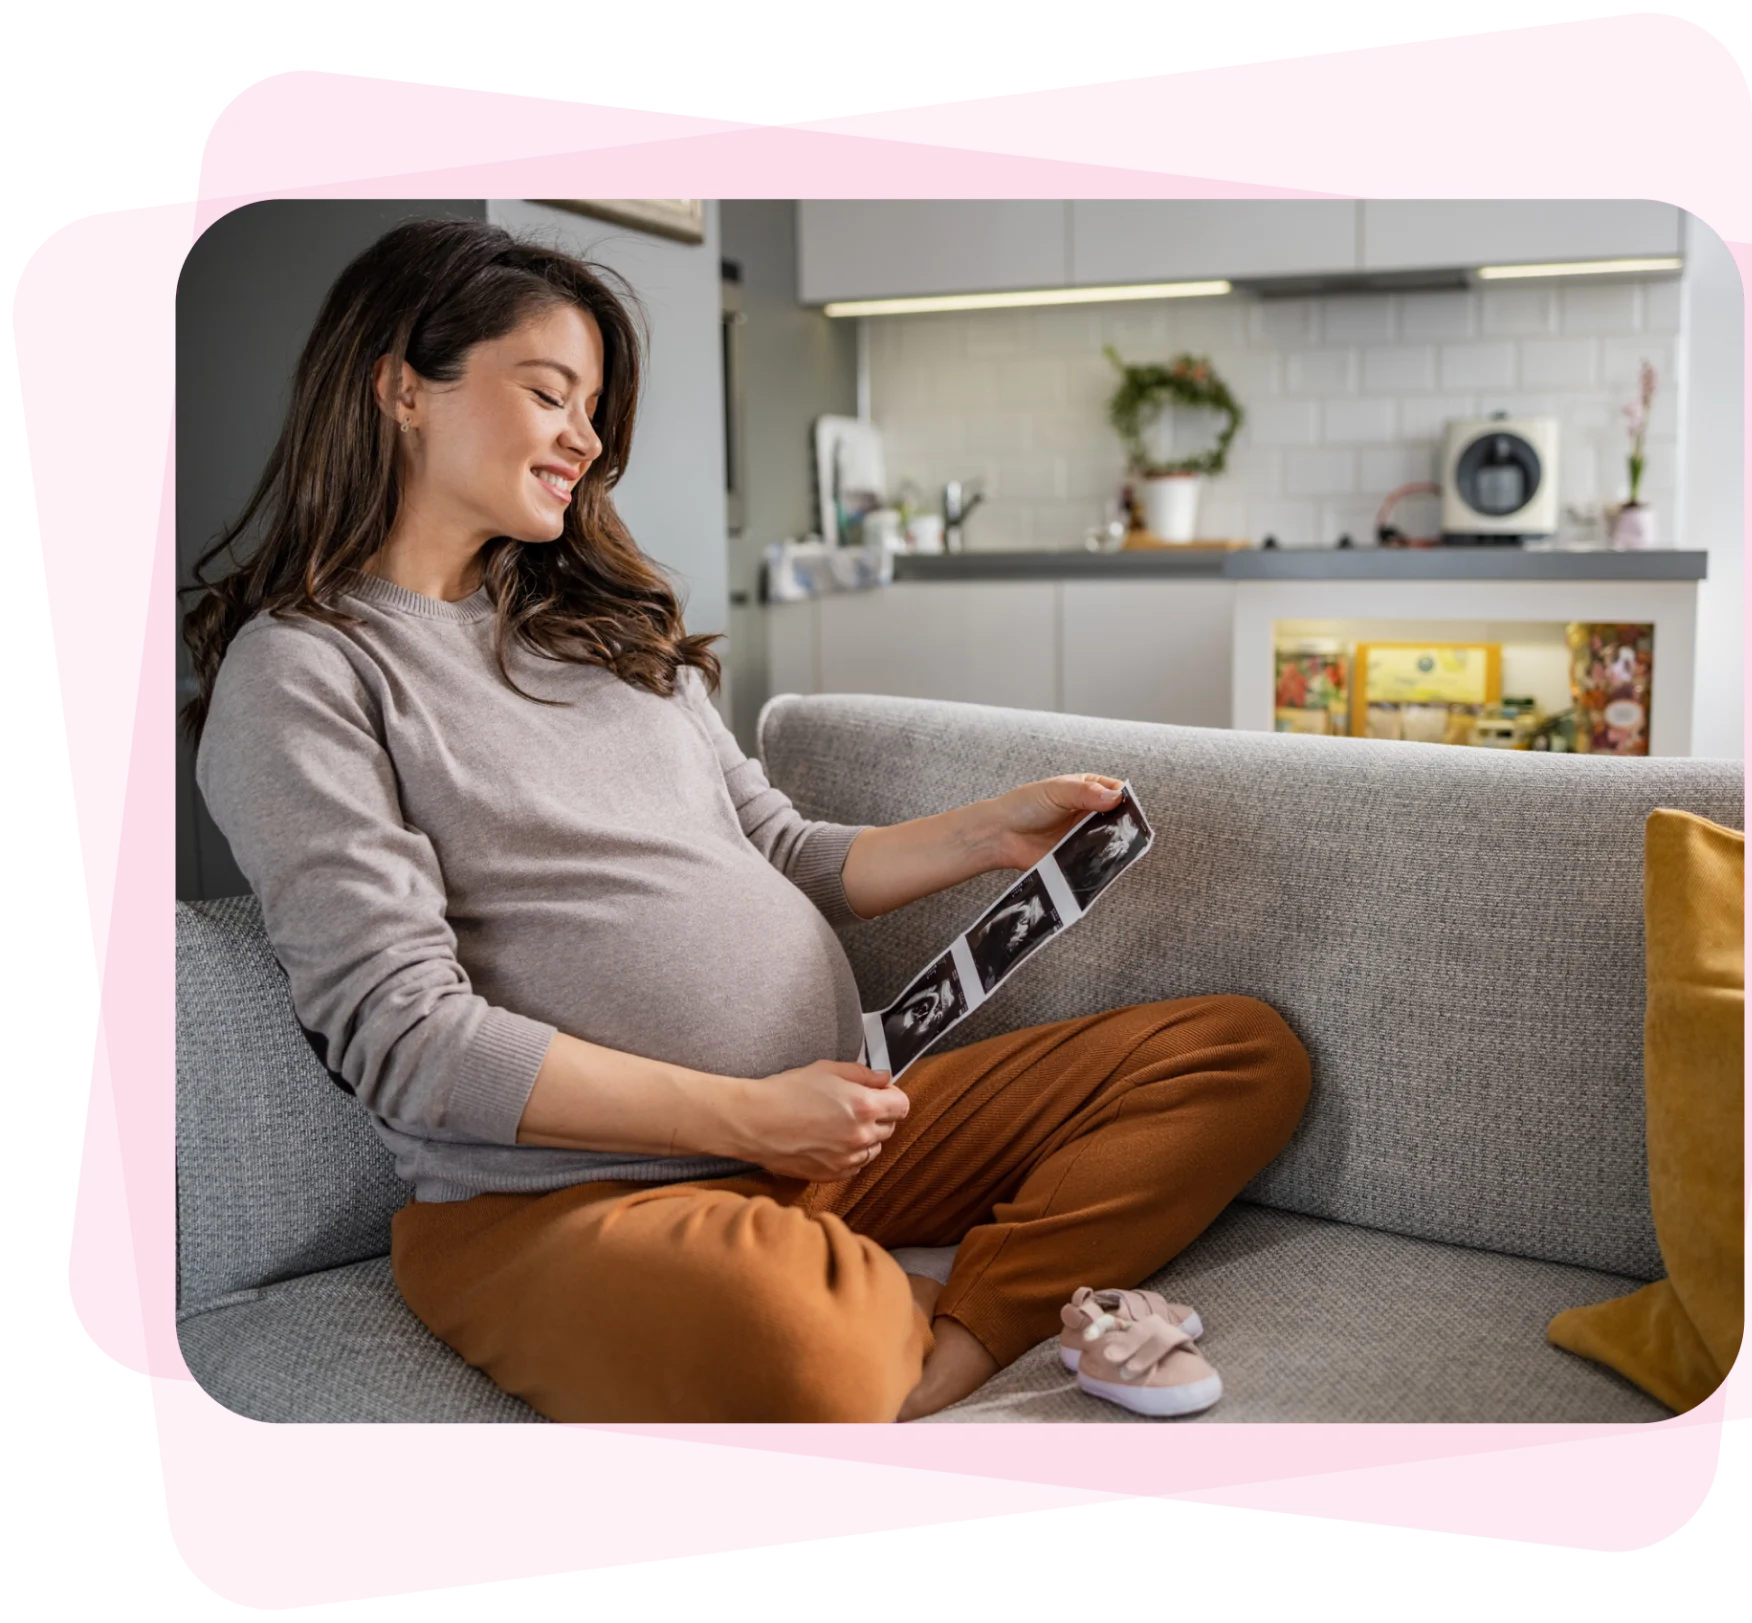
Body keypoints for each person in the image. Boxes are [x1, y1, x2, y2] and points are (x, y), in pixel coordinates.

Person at [182, 218, 1312, 1424]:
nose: (587, 437)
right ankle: (950, 1326)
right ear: (403, 387)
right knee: (797, 1347)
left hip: (838, 1125)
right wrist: (748, 1114)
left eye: (596, 406)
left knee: (1238, 1053)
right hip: (568, 1202)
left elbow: (775, 848)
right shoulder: (307, 671)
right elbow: (403, 1038)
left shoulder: (603, 629)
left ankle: (955, 1335)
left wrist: (984, 833)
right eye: (551, 393)